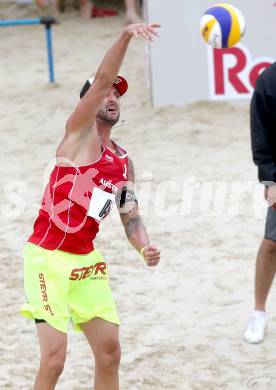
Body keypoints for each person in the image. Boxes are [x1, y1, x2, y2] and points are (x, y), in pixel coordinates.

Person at [20, 22, 161, 389]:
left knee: (110, 352)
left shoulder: (123, 161)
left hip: (85, 260)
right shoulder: (77, 134)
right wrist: (127, 35)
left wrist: (144, 245)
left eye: (118, 94)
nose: (112, 96)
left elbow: (130, 216)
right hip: (48, 256)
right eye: (106, 92)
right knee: (54, 361)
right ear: (88, 102)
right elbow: (100, 79)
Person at [244, 62, 276, 344]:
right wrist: (269, 182)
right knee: (272, 244)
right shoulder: (269, 80)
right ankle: (259, 312)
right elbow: (261, 140)